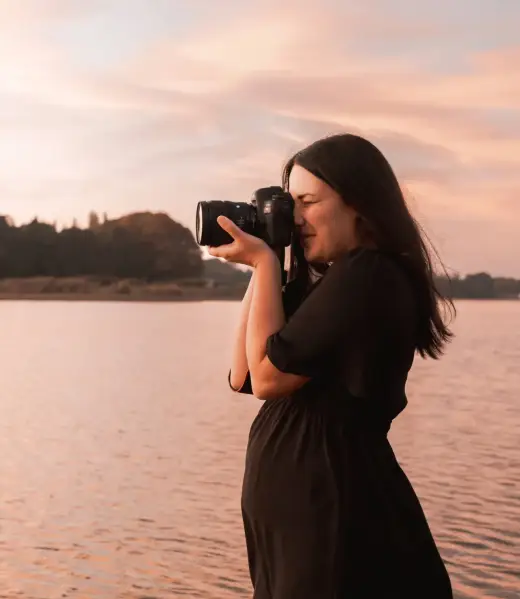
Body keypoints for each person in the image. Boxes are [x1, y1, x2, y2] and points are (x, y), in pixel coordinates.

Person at [208, 133, 455, 598]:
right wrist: (268, 260)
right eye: (289, 206)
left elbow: (267, 379)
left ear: (358, 202)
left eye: (307, 202)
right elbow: (241, 373)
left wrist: (264, 265)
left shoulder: (371, 273)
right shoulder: (338, 280)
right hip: (303, 515)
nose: (296, 219)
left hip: (335, 510)